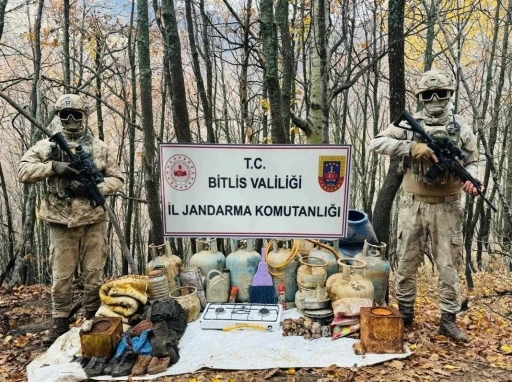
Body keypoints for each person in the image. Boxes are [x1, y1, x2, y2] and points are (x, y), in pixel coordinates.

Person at [369, 69, 482, 342]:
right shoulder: (412, 124)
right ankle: (405, 315)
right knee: (407, 262)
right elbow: (376, 142)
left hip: (448, 207)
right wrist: (411, 148)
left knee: (448, 266)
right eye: (428, 94)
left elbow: (474, 160)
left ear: (449, 94)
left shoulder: (461, 127)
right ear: (420, 97)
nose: (435, 99)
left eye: (440, 93)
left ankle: (448, 320)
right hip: (413, 206)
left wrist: (473, 180)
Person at [17, 94, 124, 346]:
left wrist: (91, 188)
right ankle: (60, 322)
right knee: (61, 276)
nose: (71, 119)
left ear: (84, 116)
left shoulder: (100, 148)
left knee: (94, 274)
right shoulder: (47, 147)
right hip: (61, 221)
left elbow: (118, 179)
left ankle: (93, 318)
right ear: (59, 117)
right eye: (65, 115)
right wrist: (53, 167)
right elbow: (23, 170)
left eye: (76, 114)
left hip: (92, 221)